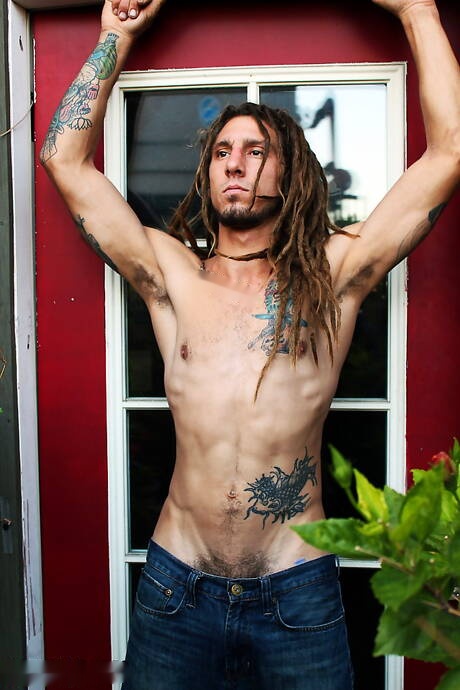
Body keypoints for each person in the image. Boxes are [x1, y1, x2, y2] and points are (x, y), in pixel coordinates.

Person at [40, 0, 460, 687]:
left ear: (287, 174)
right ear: (207, 174)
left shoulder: (332, 276)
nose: (235, 164)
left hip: (296, 591)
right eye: (222, 152)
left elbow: (449, 153)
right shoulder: (171, 276)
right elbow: (63, 158)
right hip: (176, 591)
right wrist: (114, 37)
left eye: (256, 151)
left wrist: (417, 11)